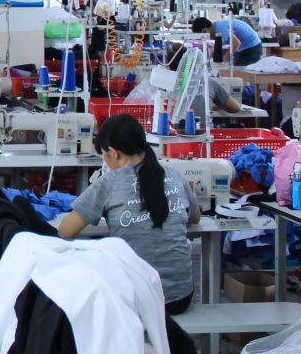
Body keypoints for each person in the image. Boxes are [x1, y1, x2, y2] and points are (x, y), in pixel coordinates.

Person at [59, 115, 200, 314]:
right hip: (180, 298)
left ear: (113, 153)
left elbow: (65, 230)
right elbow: (195, 217)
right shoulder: (174, 175)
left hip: (134, 303)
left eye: (104, 155)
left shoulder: (109, 182)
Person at [165, 47, 241, 114]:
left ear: (168, 66)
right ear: (193, 64)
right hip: (201, 126)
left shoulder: (163, 85)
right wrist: (211, 105)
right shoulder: (208, 83)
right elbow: (236, 108)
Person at [192, 15, 264, 67]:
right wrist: (209, 59)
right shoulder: (216, 27)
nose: (207, 38)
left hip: (252, 48)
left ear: (205, 30)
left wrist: (224, 59)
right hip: (247, 48)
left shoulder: (220, 27)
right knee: (235, 68)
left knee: (240, 73)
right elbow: (217, 47)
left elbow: (236, 43)